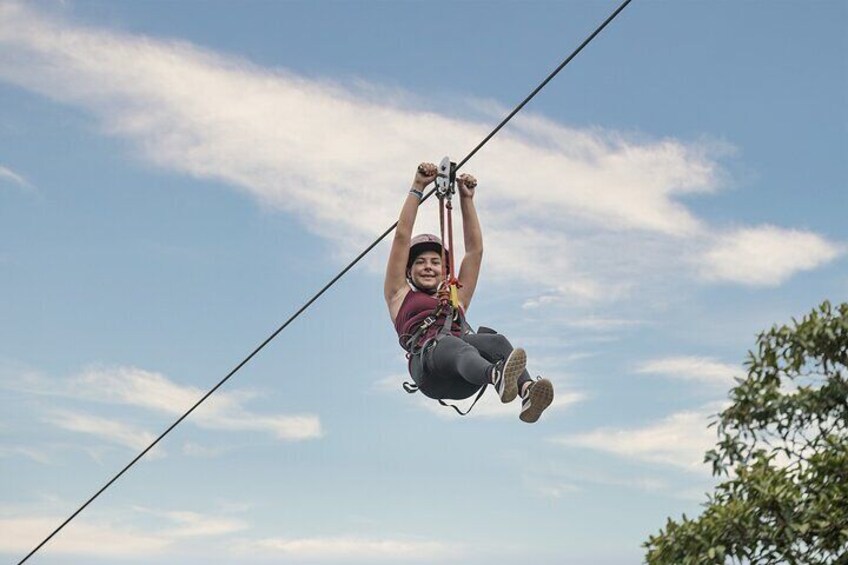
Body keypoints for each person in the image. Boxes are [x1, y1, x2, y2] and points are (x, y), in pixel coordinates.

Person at [384, 162, 554, 423]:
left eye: (435, 262)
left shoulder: (456, 298)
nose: (428, 266)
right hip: (431, 370)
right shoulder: (399, 294)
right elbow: (401, 238)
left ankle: (527, 390)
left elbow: (475, 252)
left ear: (444, 270)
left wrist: (467, 200)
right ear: (409, 271)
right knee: (452, 343)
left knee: (495, 342)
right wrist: (417, 186)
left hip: (466, 377)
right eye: (420, 262)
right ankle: (496, 376)